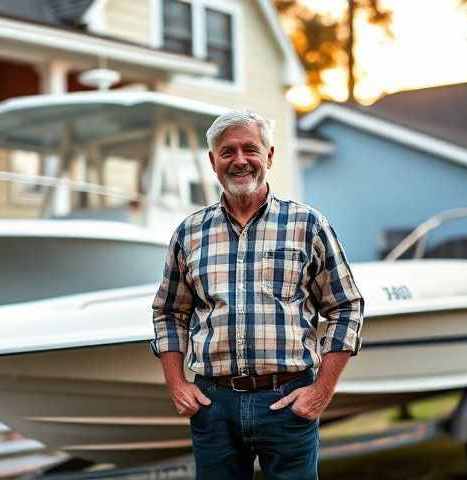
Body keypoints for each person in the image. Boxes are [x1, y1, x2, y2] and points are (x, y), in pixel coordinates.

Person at [151, 110, 364, 480]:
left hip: (287, 401)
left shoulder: (308, 225)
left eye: (250, 149)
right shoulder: (189, 233)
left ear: (269, 156)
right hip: (213, 405)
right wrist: (177, 384)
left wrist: (321, 391)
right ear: (212, 161)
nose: (239, 160)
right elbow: (169, 312)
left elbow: (346, 306)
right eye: (227, 151)